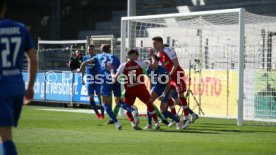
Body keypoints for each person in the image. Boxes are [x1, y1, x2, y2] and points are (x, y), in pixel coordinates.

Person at [0, 0, 37, 154]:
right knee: (4, 134)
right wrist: (29, 87)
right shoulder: (20, 28)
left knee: (5, 136)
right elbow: (33, 59)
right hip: (16, 86)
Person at [110, 49, 160, 129]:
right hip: (140, 88)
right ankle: (157, 123)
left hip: (129, 90)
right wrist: (152, 55)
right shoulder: (141, 62)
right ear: (135, 55)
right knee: (149, 104)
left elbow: (115, 79)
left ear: (128, 56)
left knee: (128, 108)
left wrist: (111, 72)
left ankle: (133, 123)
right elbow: (154, 66)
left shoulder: (123, 65)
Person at [151, 36, 190, 129]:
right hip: (170, 77)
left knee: (180, 96)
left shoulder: (168, 50)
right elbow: (155, 66)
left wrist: (169, 75)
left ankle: (186, 118)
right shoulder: (159, 54)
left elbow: (176, 64)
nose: (153, 45)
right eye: (153, 43)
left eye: (155, 43)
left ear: (160, 43)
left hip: (177, 74)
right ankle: (175, 118)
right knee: (168, 98)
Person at [144, 55, 182, 129]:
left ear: (157, 62)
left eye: (152, 61)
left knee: (163, 111)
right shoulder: (148, 70)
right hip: (156, 87)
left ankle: (177, 120)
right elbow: (151, 81)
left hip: (165, 89)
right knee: (149, 103)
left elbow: (168, 83)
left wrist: (164, 94)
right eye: (150, 61)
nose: (150, 62)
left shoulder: (163, 70)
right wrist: (150, 90)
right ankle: (149, 124)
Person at [79, 45, 104, 120]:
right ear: (87, 50)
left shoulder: (97, 57)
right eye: (89, 50)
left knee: (100, 96)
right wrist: (82, 78)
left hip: (98, 78)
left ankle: (102, 113)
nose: (90, 51)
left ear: (94, 50)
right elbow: (83, 69)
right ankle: (97, 113)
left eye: (92, 50)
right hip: (89, 79)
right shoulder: (85, 57)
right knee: (91, 97)